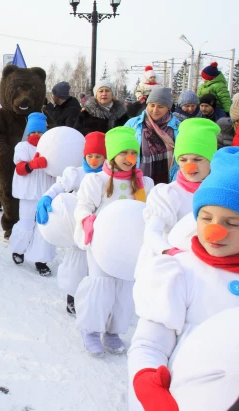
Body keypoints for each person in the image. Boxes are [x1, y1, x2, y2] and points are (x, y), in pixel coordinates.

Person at [128, 146, 239, 411]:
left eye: (232, 223)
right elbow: (149, 344)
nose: (215, 231)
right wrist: (148, 383)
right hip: (187, 398)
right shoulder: (180, 271)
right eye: (206, 218)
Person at [74, 126, 154, 356]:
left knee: (124, 289)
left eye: (134, 153)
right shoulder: (96, 181)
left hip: (129, 245)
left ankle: (113, 331)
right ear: (112, 155)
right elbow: (83, 206)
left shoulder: (143, 183)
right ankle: (90, 330)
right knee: (101, 285)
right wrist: (87, 220)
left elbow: (148, 211)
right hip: (102, 242)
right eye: (124, 153)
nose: (130, 159)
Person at [36, 131, 107, 315]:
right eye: (89, 156)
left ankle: (95, 299)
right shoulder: (77, 173)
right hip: (79, 227)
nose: (93, 160)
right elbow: (59, 186)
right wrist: (47, 197)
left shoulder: (109, 177)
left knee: (98, 268)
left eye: (98, 157)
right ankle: (72, 297)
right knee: (77, 265)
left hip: (102, 228)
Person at [140, 118, 218, 263]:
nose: (190, 166)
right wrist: (171, 252)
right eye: (183, 160)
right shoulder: (168, 194)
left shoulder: (219, 195)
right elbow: (152, 233)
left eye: (197, 159)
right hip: (173, 264)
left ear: (211, 160)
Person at [9, 112, 55, 276]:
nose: (37, 135)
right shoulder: (22, 147)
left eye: (40, 132)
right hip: (28, 193)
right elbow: (20, 169)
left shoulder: (51, 147)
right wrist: (33, 164)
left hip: (46, 192)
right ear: (28, 132)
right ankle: (19, 249)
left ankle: (41, 260)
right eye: (33, 132)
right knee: (27, 224)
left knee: (44, 226)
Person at [125, 87, 180, 185]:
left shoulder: (178, 127)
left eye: (161, 106)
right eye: (152, 105)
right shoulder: (133, 124)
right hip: (138, 180)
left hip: (168, 181)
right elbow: (122, 151)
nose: (155, 110)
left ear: (168, 107)